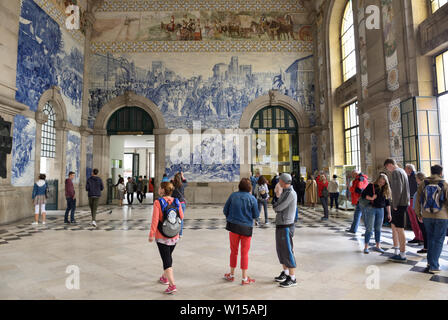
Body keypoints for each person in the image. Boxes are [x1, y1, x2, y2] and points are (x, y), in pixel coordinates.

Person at [149, 181, 184, 294]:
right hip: (174, 235)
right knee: (168, 256)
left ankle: (172, 285)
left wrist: (151, 235)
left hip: (162, 236)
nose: (158, 189)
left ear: (163, 190)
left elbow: (155, 220)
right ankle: (164, 278)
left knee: (166, 260)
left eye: (160, 187)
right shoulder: (176, 201)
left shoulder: (158, 202)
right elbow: (181, 217)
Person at [223, 178, 259, 285]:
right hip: (246, 228)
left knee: (233, 251)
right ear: (249, 187)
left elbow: (225, 210)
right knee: (244, 253)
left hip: (233, 227)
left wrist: (231, 217)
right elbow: (256, 215)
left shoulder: (233, 196)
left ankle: (232, 274)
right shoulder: (252, 199)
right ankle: (244, 278)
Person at [415, 165, 448, 274]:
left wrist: (419, 214)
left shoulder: (424, 183)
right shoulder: (444, 184)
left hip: (426, 215)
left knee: (430, 238)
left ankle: (430, 262)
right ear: (441, 173)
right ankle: (434, 266)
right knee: (438, 240)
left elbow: (418, 200)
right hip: (441, 216)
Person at [273, 173, 298, 288]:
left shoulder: (291, 194)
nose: (278, 183)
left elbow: (278, 207)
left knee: (287, 251)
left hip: (286, 225)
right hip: (281, 224)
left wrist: (275, 203)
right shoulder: (285, 191)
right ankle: (286, 273)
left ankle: (292, 278)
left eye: (280, 181)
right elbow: (277, 205)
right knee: (281, 250)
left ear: (283, 182)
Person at [384, 159, 410, 262]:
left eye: (387, 168)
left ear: (390, 165)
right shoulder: (402, 171)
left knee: (399, 229)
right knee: (395, 227)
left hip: (399, 204)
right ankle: (398, 251)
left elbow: (397, 190)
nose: (388, 170)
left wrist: (394, 204)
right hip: (403, 203)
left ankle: (402, 254)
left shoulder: (396, 172)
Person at [361, 174, 392, 254]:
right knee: (369, 228)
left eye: (383, 181)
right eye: (380, 181)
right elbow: (363, 195)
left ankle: (378, 246)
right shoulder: (372, 186)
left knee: (378, 228)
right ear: (378, 180)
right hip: (371, 208)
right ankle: (366, 247)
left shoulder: (386, 188)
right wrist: (371, 198)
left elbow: (387, 202)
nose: (381, 183)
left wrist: (389, 213)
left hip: (381, 210)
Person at [405, 164, 423, 245]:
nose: (405, 170)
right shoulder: (408, 176)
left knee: (416, 219)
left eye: (406, 169)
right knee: (412, 220)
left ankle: (421, 237)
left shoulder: (415, 176)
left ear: (410, 169)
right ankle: (416, 237)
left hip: (414, 199)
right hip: (409, 199)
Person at [414, 172, 428, 254]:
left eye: (416, 178)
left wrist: (420, 214)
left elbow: (421, 201)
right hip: (422, 212)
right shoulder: (424, 186)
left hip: (422, 213)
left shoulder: (422, 186)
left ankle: (426, 248)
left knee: (424, 231)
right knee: (424, 231)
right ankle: (426, 247)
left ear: (419, 178)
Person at [172, 172, 188, 237]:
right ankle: (180, 233)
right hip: (181, 203)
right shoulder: (182, 185)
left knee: (174, 218)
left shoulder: (172, 185)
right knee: (181, 218)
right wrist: (182, 176)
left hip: (174, 203)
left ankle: (174, 232)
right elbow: (186, 182)